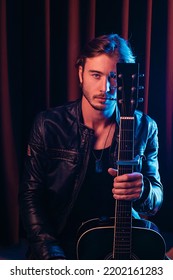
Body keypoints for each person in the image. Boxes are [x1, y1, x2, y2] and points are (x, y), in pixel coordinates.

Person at [19, 34, 163, 260]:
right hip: (61, 243)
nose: (105, 87)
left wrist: (143, 190)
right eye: (96, 75)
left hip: (118, 243)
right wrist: (51, 255)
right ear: (80, 73)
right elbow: (30, 195)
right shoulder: (48, 125)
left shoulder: (145, 127)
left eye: (114, 77)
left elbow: (156, 197)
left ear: (128, 80)